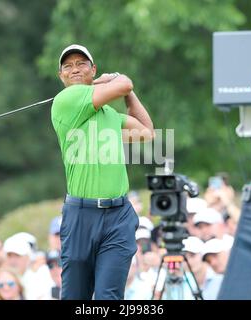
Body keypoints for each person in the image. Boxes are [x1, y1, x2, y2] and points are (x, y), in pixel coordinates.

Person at [51, 44, 154, 300]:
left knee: (109, 297)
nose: (74, 69)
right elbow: (123, 83)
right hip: (81, 216)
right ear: (61, 75)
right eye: (68, 66)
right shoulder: (65, 101)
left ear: (92, 69)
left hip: (118, 217)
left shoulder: (109, 115)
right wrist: (115, 82)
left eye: (81, 64)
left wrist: (129, 95)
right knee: (76, 297)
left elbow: (146, 132)